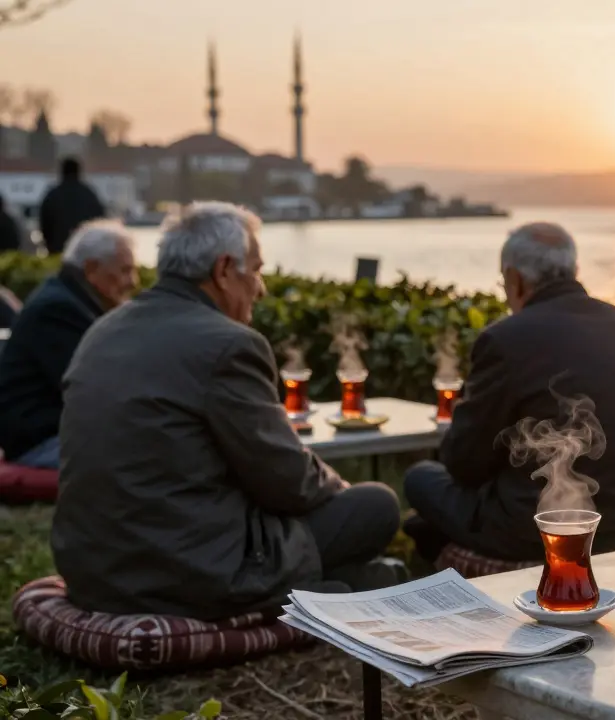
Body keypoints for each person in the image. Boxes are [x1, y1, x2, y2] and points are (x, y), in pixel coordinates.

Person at [52, 202, 403, 620]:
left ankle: (348, 582)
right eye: (255, 270)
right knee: (376, 506)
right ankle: (343, 587)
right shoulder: (229, 344)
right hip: (189, 570)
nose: (261, 288)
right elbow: (289, 482)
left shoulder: (102, 328)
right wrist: (337, 487)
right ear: (223, 270)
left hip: (92, 571)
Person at [403, 222, 615, 562]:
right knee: (432, 516)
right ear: (573, 271)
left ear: (515, 279)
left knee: (421, 479)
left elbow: (464, 465)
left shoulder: (505, 338)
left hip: (540, 529)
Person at [0, 220, 136, 468]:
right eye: (125, 271)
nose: (133, 281)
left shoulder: (68, 300)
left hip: (53, 436)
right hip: (42, 443)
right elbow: (94, 390)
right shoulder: (58, 310)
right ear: (92, 269)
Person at [38, 157, 106, 255]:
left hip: (58, 250)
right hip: (85, 251)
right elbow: (100, 222)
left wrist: (50, 245)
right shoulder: (89, 195)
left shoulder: (53, 195)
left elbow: (44, 224)